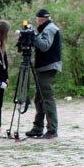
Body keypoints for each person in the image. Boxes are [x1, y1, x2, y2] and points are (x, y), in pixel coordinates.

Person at [26, 8, 61, 139]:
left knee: (46, 98)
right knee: (39, 98)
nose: (37, 22)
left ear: (41, 19)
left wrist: (34, 36)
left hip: (48, 67)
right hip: (44, 67)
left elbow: (45, 45)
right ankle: (38, 127)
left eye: (37, 20)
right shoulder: (46, 29)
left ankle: (52, 130)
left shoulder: (50, 29)